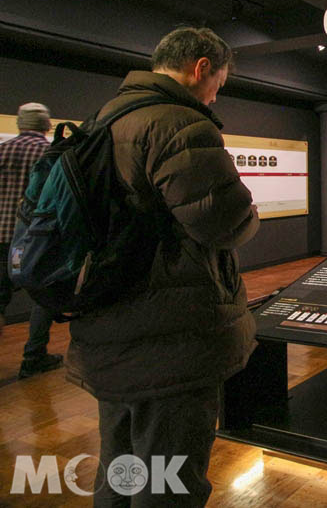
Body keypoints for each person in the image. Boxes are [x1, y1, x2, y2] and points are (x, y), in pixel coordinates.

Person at [65, 27, 259, 505]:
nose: (217, 93)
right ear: (201, 68)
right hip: (174, 337)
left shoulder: (101, 119)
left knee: (121, 465)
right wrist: (249, 214)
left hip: (109, 324)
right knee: (171, 477)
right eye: (220, 82)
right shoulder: (179, 124)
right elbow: (224, 222)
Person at [0, 102, 64, 378]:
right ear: (47, 125)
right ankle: (34, 354)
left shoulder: (2, 150)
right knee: (43, 297)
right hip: (34, 239)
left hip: (1, 239)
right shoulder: (49, 153)